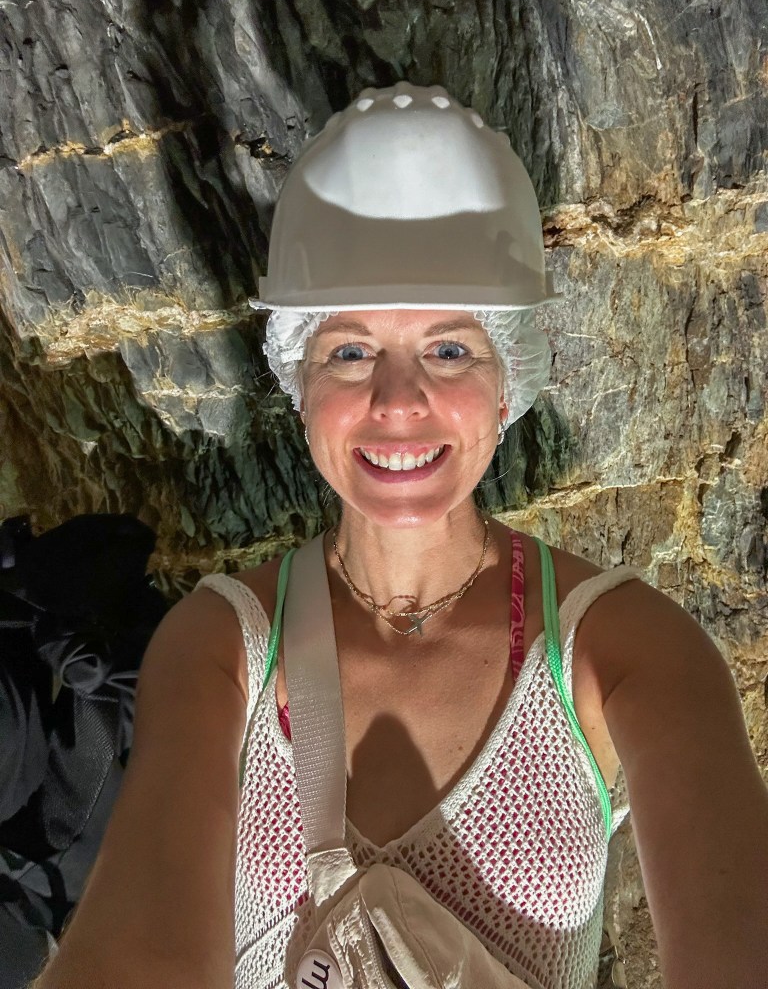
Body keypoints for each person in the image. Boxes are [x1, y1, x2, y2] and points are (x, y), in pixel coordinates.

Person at [31, 83, 768, 989]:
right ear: (300, 385)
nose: (396, 401)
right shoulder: (219, 644)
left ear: (509, 382)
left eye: (449, 349)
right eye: (349, 351)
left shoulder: (625, 650)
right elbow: (136, 954)